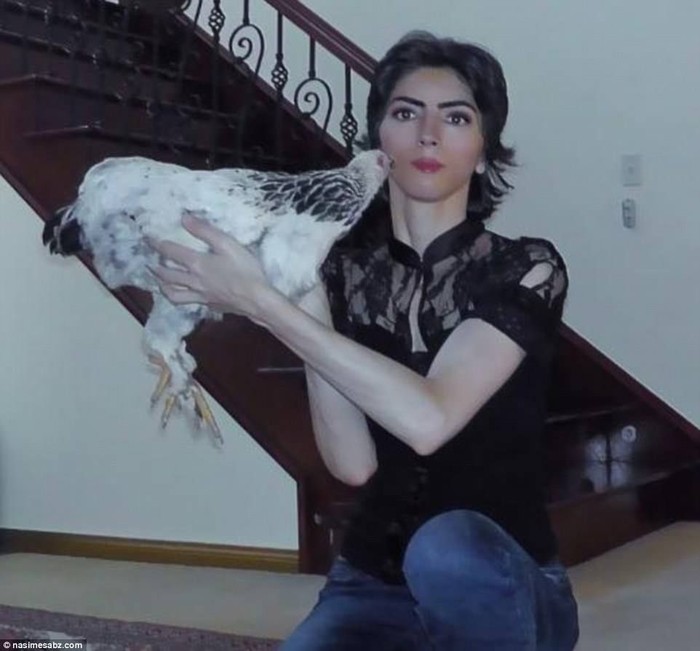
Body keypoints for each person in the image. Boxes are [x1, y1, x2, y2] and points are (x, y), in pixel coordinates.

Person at [150, 31, 579, 651]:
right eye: (406, 113)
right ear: (380, 139)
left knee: (445, 546)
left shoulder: (528, 268)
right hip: (373, 585)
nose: (428, 134)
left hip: (502, 585)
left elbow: (429, 420)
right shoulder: (340, 275)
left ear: (484, 153)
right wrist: (300, 291)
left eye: (456, 118)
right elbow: (353, 464)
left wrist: (264, 305)